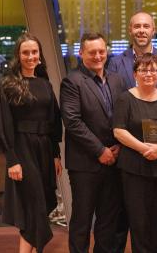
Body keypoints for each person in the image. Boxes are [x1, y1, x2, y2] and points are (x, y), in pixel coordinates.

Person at [107, 11, 157, 252]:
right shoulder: (124, 99)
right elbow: (118, 130)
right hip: (134, 164)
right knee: (137, 221)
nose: (148, 74)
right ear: (134, 73)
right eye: (143, 71)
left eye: (152, 71)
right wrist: (144, 148)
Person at [60, 32, 126, 253]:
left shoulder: (116, 80)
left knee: (108, 222)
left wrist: (118, 146)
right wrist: (100, 151)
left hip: (114, 160)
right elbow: (72, 121)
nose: (98, 56)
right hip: (85, 164)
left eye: (101, 51)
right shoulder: (72, 81)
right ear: (81, 53)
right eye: (92, 52)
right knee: (82, 221)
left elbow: (123, 116)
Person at [0, 33, 62, 252]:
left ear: (40, 55)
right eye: (26, 52)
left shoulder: (45, 84)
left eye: (34, 52)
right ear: (18, 55)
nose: (31, 56)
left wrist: (56, 155)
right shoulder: (7, 84)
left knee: (40, 206)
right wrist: (12, 160)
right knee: (34, 207)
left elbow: (54, 121)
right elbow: (3, 124)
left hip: (44, 150)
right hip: (22, 150)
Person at [108, 11, 157, 93]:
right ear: (130, 31)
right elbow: (114, 99)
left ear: (153, 31)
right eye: (137, 26)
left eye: (146, 26)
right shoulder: (115, 63)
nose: (141, 30)